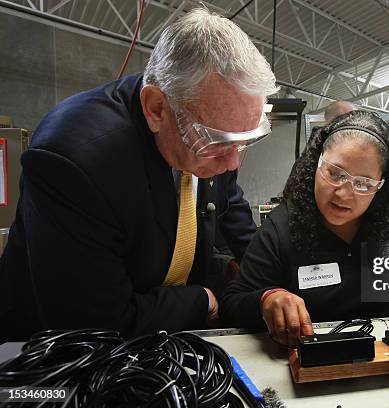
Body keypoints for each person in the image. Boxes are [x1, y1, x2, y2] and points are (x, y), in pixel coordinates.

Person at [0, 7, 278, 341]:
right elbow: (97, 325)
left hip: (160, 333)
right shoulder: (74, 161)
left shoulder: (206, 132)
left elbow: (232, 212)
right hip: (54, 358)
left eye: (245, 142)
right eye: (219, 142)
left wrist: (270, 288)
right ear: (156, 108)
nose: (233, 164)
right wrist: (201, 299)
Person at [222, 111, 389, 380]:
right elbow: (233, 304)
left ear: (382, 185)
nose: (344, 193)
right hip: (315, 378)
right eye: (335, 173)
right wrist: (266, 299)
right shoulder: (283, 226)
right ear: (316, 163)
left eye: (364, 183)